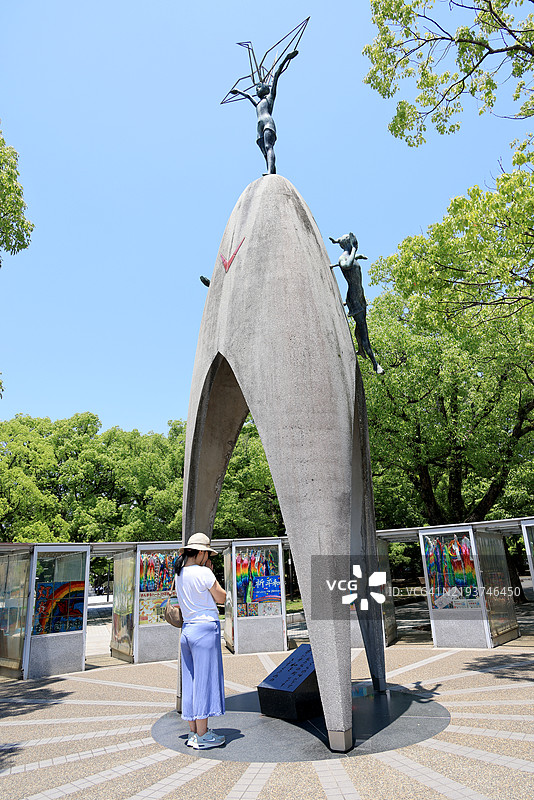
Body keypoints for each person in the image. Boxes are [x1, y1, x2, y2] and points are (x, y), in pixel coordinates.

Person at [174, 532, 227, 749]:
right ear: (202, 552)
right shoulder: (204, 573)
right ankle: (203, 736)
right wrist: (212, 575)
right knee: (204, 681)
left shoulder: (179, 574)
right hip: (205, 630)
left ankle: (193, 733)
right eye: (207, 553)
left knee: (190, 682)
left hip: (187, 631)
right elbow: (221, 597)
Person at [229, 50, 298, 175]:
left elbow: (276, 74)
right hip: (259, 127)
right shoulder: (258, 103)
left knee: (268, 147)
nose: (257, 89)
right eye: (256, 88)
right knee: (264, 152)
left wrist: (287, 58)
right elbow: (249, 96)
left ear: (267, 89)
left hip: (267, 122)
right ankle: (272, 171)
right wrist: (238, 91)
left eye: (260, 87)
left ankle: (269, 171)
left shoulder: (270, 97)